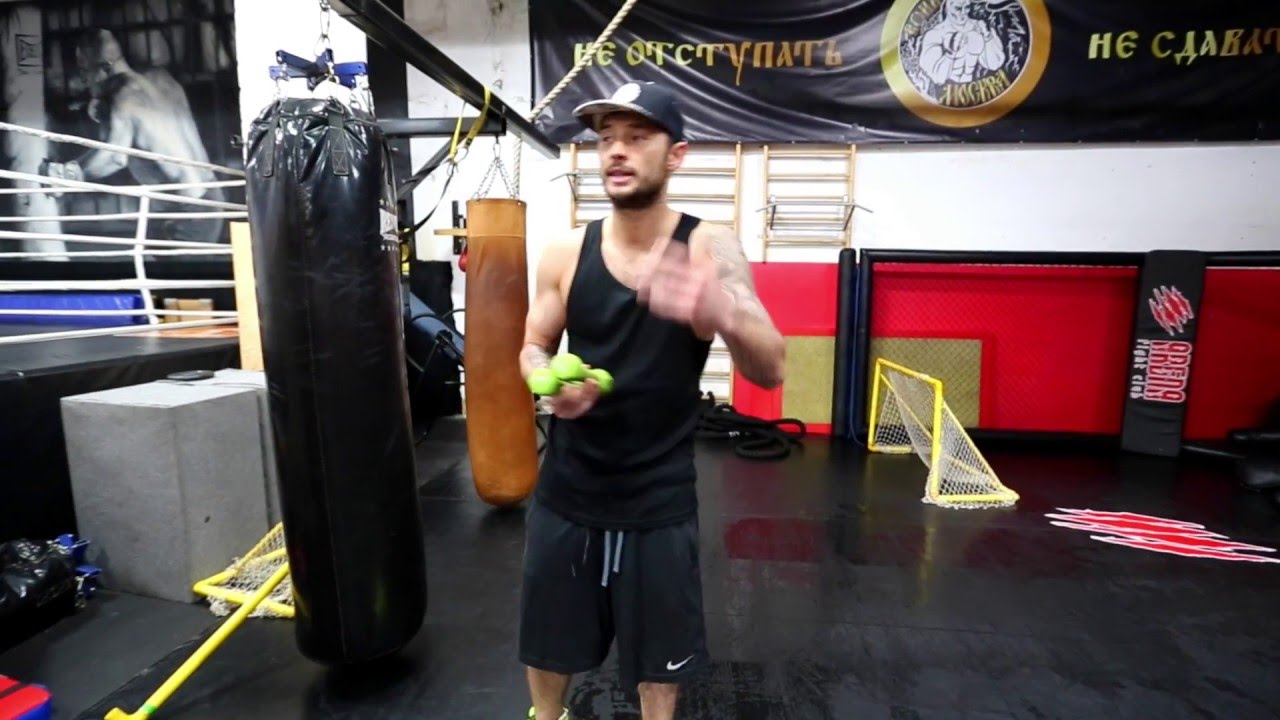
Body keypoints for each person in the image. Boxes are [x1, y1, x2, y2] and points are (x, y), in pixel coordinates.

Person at [517, 81, 786, 720]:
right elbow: (532, 346)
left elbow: (771, 367)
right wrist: (548, 385)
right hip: (568, 488)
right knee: (550, 639)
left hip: (658, 498)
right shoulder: (565, 252)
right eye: (607, 138)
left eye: (637, 138)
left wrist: (721, 310)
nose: (616, 150)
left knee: (659, 661)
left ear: (676, 155)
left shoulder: (709, 247)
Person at [44, 29, 226, 244]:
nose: (83, 79)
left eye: (85, 70)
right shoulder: (160, 78)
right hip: (205, 196)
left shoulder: (123, 98)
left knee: (169, 266)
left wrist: (69, 175)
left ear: (106, 68)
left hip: (189, 210)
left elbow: (115, 157)